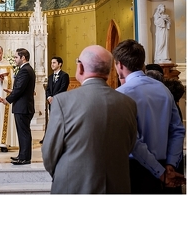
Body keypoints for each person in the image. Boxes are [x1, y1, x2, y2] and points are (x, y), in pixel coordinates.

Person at [42, 45, 137, 193]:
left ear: (80, 68)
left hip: (73, 185)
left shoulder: (62, 101)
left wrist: (63, 173)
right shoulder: (128, 103)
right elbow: (130, 144)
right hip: (117, 186)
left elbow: (49, 152)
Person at [113, 39, 185, 194]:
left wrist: (160, 172)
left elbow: (133, 141)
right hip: (164, 165)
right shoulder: (163, 90)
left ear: (119, 65)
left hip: (134, 170)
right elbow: (178, 131)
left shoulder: (121, 95)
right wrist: (170, 165)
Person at [0, 48, 35, 165]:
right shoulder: (27, 69)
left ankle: (25, 158)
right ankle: (22, 155)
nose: (14, 59)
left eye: (16, 57)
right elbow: (21, 88)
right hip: (23, 105)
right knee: (22, 132)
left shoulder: (25, 70)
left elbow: (19, 89)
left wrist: (7, 99)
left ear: (23, 57)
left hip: (23, 107)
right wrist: (12, 90)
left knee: (24, 132)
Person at [43, 56, 69, 144]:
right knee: (52, 120)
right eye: (51, 63)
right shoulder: (50, 77)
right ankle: (51, 138)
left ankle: (60, 139)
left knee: (60, 120)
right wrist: (49, 97)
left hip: (60, 102)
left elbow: (63, 88)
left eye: (54, 63)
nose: (52, 65)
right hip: (51, 102)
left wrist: (54, 98)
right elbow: (48, 89)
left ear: (60, 64)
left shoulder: (64, 75)